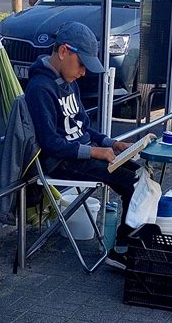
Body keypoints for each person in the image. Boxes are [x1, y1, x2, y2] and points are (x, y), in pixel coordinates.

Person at [25, 21, 137, 270]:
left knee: (140, 172)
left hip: (81, 154)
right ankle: (123, 249)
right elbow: (51, 143)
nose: (83, 72)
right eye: (82, 64)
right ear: (64, 51)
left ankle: (131, 243)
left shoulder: (70, 81)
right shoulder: (39, 88)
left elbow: (83, 127)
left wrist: (112, 143)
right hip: (60, 162)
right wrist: (96, 151)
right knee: (132, 183)